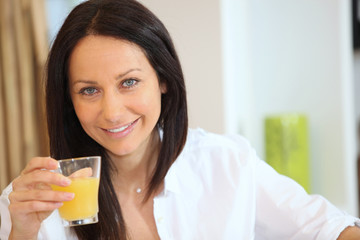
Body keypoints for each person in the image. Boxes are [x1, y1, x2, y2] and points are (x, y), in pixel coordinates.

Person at [1, 0, 360, 239]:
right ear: (68, 100)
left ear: (163, 80)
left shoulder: (226, 163)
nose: (111, 112)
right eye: (89, 90)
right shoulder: (31, 201)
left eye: (129, 82)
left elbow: (328, 228)